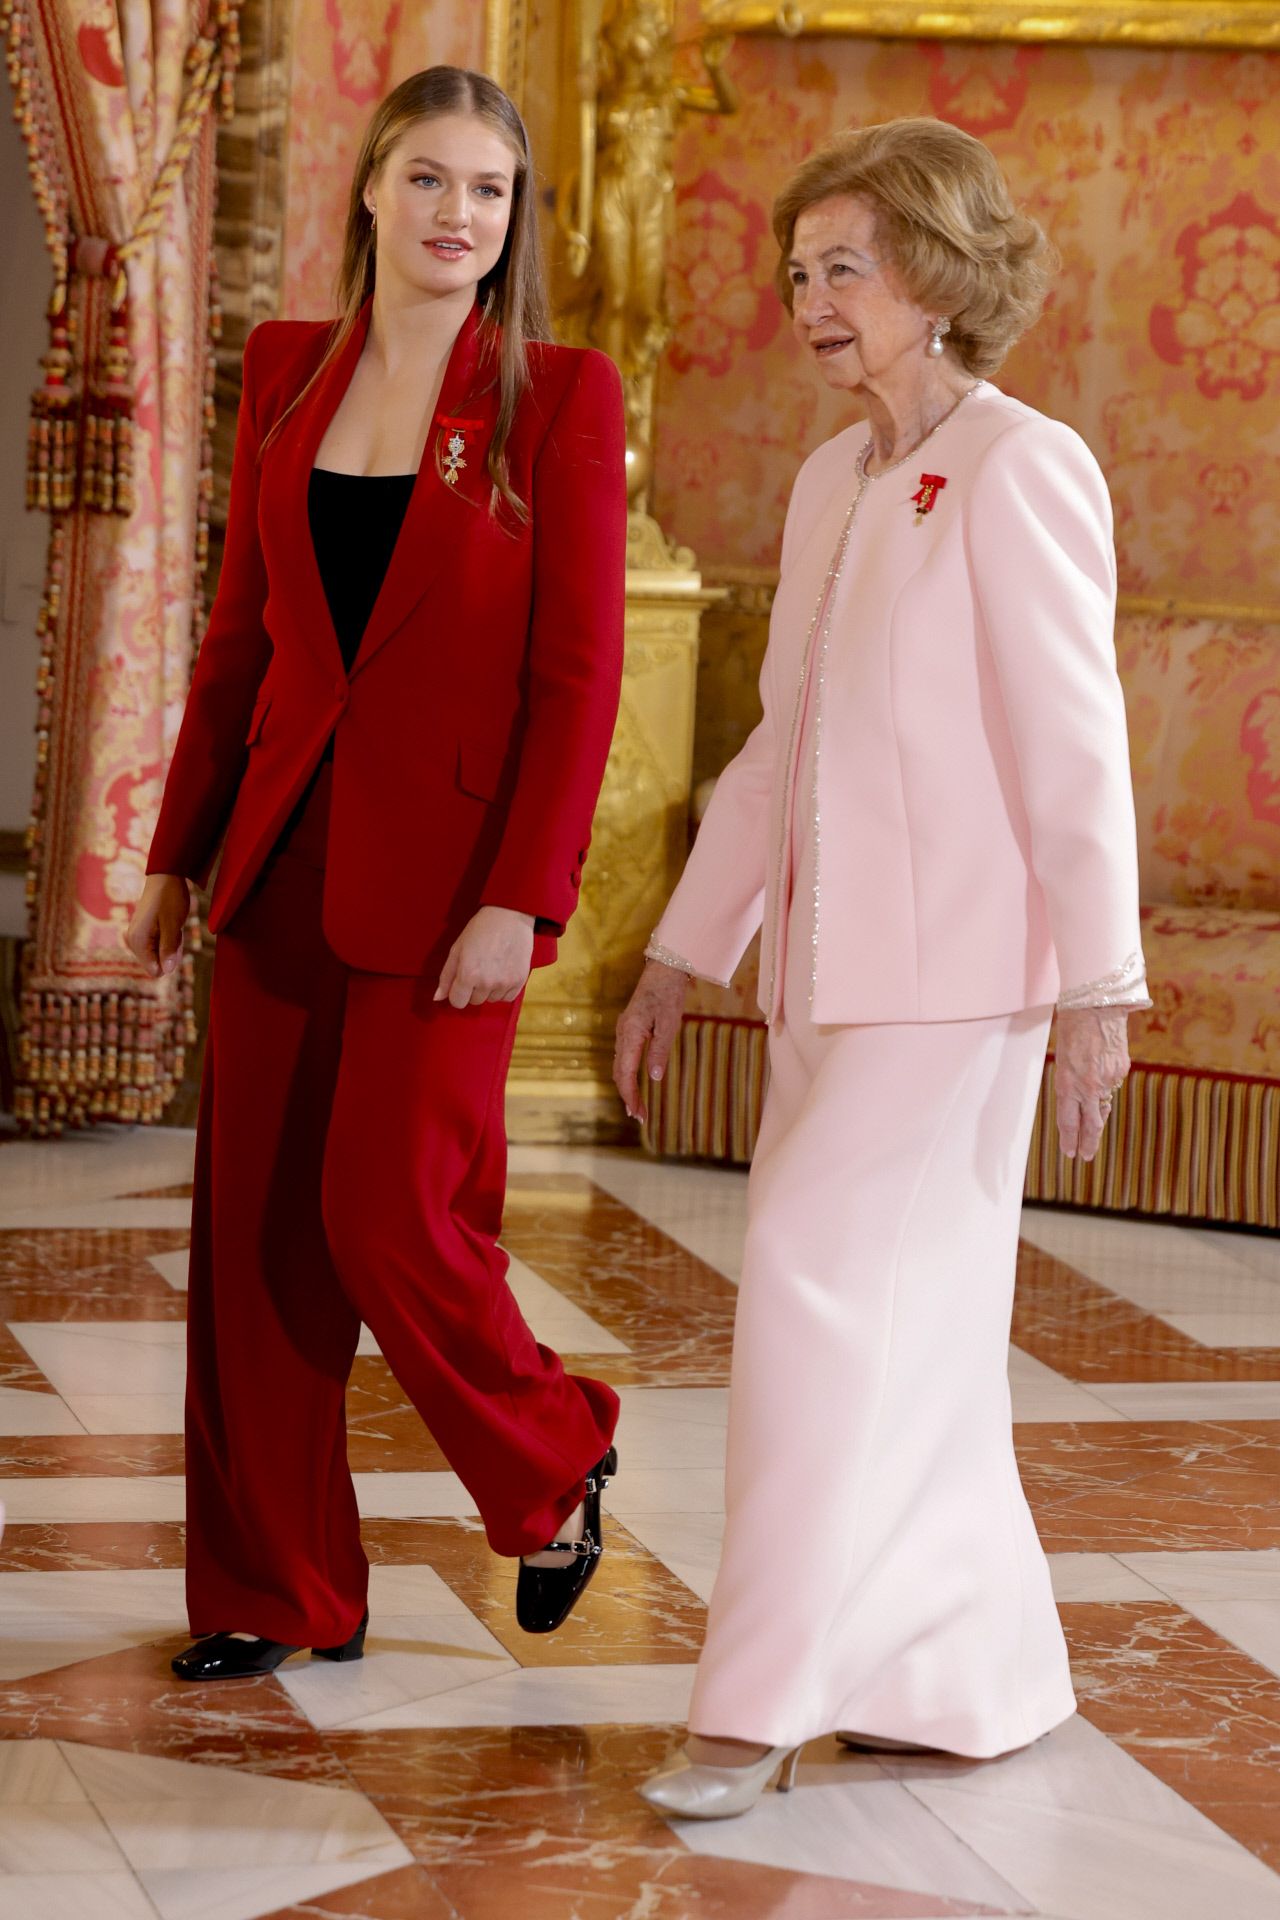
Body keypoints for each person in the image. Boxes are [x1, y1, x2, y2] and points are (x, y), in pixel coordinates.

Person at [615, 118, 1151, 1819]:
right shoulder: (830, 478)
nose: (811, 301)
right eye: (797, 273)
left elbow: (1078, 748)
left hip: (959, 990)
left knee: (808, 1289)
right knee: (909, 1333)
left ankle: (754, 1697)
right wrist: (681, 956)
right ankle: (968, 1671)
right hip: (825, 991)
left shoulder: (1021, 465)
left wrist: (1100, 987)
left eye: (843, 266)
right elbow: (783, 744)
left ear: (936, 273)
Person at [126, 65, 628, 1679]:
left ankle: (553, 1456)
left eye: (487, 190)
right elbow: (239, 643)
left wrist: (522, 894)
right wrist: (174, 854)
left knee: (386, 1212)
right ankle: (277, 1592)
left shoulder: (560, 395)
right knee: (262, 1243)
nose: (457, 216)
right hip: (277, 865)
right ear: (368, 190)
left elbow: (578, 680)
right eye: (427, 180)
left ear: (513, 214)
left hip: (453, 891)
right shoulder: (285, 371)